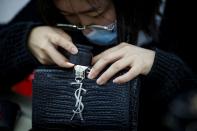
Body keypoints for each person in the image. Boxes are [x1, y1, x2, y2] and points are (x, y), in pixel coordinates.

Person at [0, 0, 196, 130]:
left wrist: (161, 67)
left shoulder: (176, 17)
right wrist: (24, 40)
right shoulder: (51, 7)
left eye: (95, 14)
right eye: (69, 16)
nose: (84, 27)